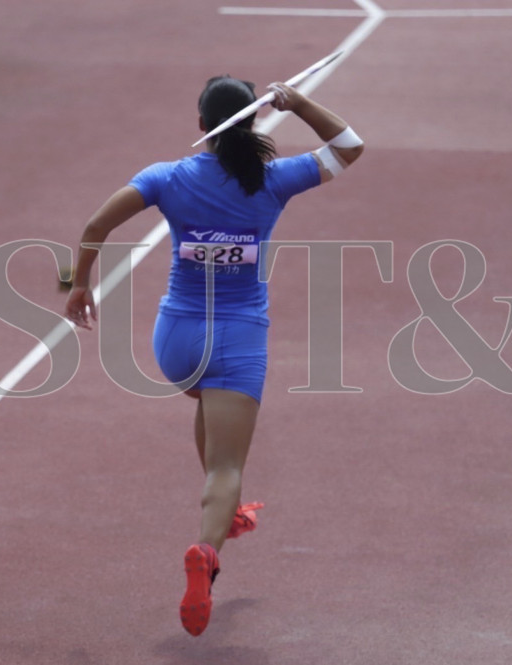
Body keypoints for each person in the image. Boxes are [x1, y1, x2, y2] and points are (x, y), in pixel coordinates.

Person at [64, 75, 364, 636]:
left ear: (202, 125)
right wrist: (298, 103)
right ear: (254, 121)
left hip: (175, 341)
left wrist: (80, 285)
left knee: (208, 404)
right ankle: (206, 550)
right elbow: (349, 147)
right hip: (237, 338)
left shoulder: (167, 177)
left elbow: (95, 224)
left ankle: (229, 514)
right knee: (227, 465)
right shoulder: (274, 179)